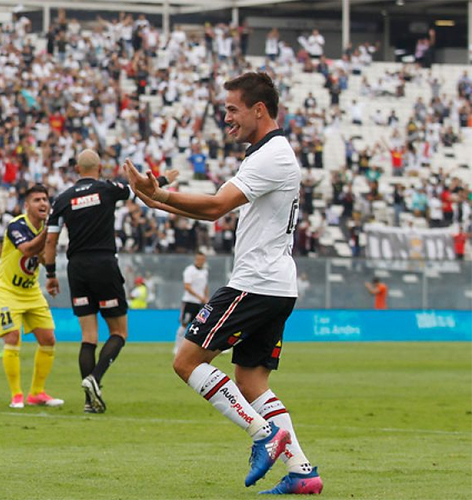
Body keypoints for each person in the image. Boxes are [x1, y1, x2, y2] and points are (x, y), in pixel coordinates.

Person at [125, 72, 322, 494]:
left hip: (255, 283)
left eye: (233, 109)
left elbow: (215, 206)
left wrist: (160, 196)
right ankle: (302, 472)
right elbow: (214, 209)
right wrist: (156, 199)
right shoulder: (268, 153)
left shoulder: (272, 156)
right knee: (251, 382)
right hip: (275, 285)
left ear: (259, 110)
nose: (226, 117)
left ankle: (264, 434)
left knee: (186, 362)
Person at [43, 149, 134, 414]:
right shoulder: (106, 189)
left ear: (77, 169)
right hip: (103, 264)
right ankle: (95, 377)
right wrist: (164, 180)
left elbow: (51, 241)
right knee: (119, 332)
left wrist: (51, 274)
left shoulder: (63, 199)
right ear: (100, 168)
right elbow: (138, 190)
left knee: (88, 336)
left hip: (77, 268)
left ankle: (89, 401)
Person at [0, 184, 63, 409]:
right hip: (8, 291)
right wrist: (49, 230)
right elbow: (28, 250)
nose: (43, 203)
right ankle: (16, 395)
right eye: (37, 200)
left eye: (45, 199)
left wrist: (51, 276)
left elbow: (42, 257)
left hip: (31, 291)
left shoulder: (45, 228)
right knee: (12, 338)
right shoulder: (17, 225)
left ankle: (37, 393)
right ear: (27, 205)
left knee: (48, 339)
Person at [175, 251, 209, 356]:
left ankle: (204, 347)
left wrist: (206, 298)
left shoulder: (205, 271)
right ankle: (177, 347)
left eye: (202, 259)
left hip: (201, 303)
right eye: (199, 259)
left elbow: (205, 286)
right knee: (184, 324)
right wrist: (200, 297)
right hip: (190, 302)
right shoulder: (189, 270)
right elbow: (187, 287)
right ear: (195, 259)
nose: (200, 261)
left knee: (203, 324)